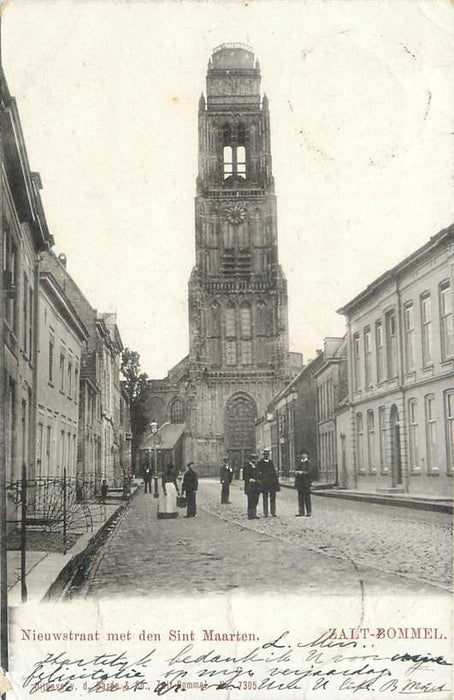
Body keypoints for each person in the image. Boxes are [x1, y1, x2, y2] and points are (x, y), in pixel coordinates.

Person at [257, 449, 279, 517]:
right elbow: (258, 473)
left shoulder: (271, 462)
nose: (267, 456)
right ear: (263, 455)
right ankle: (265, 512)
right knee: (265, 498)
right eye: (265, 454)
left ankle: (273, 512)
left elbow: (274, 473)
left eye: (268, 454)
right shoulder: (260, 463)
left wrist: (276, 483)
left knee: (273, 498)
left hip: (271, 483)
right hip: (264, 483)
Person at [294, 449, 313, 517]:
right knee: (300, 498)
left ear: (307, 455)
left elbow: (310, 472)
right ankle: (301, 512)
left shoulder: (309, 463)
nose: (303, 455)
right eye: (302, 454)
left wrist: (302, 473)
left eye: (304, 454)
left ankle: (309, 512)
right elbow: (296, 470)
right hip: (300, 483)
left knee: (307, 498)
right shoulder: (299, 463)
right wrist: (296, 472)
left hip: (306, 483)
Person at [243, 454, 261, 520]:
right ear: (251, 460)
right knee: (250, 500)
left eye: (256, 459)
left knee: (256, 500)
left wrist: (259, 479)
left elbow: (259, 475)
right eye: (254, 460)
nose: (255, 461)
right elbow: (244, 477)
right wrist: (250, 479)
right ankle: (250, 515)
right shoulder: (247, 467)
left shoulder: (256, 467)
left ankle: (254, 514)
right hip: (250, 487)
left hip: (256, 486)